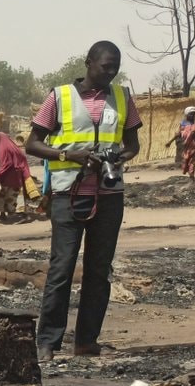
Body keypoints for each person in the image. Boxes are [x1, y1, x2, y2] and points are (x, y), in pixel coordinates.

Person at [27, 40, 139, 361]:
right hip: (67, 194)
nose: (111, 72)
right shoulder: (60, 97)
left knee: (99, 270)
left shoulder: (122, 98)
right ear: (88, 62)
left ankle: (87, 342)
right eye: (106, 66)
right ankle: (47, 342)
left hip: (109, 195)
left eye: (115, 67)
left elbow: (133, 145)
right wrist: (69, 155)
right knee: (61, 268)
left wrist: (118, 155)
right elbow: (32, 144)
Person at [0, 127, 35, 221]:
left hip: (10, 175)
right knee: (2, 194)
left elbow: (8, 163)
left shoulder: (3, 147)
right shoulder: (12, 145)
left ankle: (25, 216)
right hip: (16, 174)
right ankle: (2, 214)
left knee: (13, 195)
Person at [169, 107, 195, 180]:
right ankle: (190, 174)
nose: (192, 116)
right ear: (186, 115)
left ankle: (192, 177)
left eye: (194, 114)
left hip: (194, 146)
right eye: (190, 114)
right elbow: (178, 134)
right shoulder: (183, 124)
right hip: (185, 147)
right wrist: (170, 142)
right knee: (185, 161)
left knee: (192, 162)